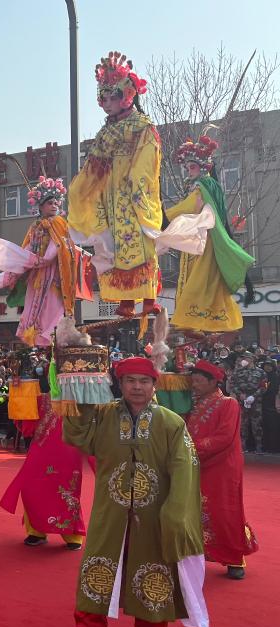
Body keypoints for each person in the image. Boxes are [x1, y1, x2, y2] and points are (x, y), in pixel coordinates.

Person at [63, 356, 208, 627]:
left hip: (154, 514)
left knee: (154, 570)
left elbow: (185, 467)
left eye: (144, 381)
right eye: (130, 381)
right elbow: (77, 436)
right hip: (109, 509)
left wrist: (176, 511)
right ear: (121, 384)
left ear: (155, 385)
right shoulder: (102, 415)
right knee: (98, 565)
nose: (137, 387)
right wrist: (79, 395)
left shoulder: (171, 422)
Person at [68, 52, 162, 319]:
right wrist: (82, 189)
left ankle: (148, 298)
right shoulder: (105, 132)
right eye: (103, 98)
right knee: (114, 248)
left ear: (127, 96)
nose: (107, 104)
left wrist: (136, 187)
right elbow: (93, 167)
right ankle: (125, 301)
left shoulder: (142, 127)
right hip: (110, 198)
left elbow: (146, 161)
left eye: (113, 98)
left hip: (133, 195)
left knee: (141, 245)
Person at [164, 134, 254, 333]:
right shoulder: (208, 186)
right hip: (202, 240)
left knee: (197, 282)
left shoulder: (202, 186)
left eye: (192, 167)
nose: (189, 170)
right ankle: (195, 325)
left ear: (203, 167)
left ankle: (192, 323)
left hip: (206, 242)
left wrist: (164, 217)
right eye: (187, 167)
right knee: (203, 284)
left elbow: (190, 207)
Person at [187, 360, 258, 579]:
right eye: (193, 381)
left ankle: (235, 558)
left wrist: (189, 448)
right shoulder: (194, 403)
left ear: (212, 382)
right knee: (196, 509)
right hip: (197, 463)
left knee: (225, 510)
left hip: (222, 466)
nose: (194, 385)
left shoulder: (229, 404)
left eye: (198, 381)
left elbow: (224, 438)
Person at [0, 177, 78, 346]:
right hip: (37, 276)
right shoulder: (35, 226)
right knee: (35, 308)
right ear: (41, 205)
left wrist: (38, 260)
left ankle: (52, 337)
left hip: (55, 276)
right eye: (50, 203)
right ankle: (40, 338)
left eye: (56, 203)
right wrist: (13, 269)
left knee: (53, 308)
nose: (54, 206)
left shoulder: (59, 223)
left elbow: (56, 248)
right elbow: (27, 249)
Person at [0, 393, 89, 549]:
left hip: (68, 448)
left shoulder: (82, 397)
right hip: (41, 446)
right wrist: (18, 398)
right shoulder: (41, 397)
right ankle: (36, 530)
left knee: (67, 489)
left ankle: (72, 535)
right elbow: (26, 421)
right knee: (31, 487)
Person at [227, 351, 266, 454]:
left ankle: (259, 446)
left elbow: (264, 386)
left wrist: (254, 396)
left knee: (257, 424)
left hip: (255, 401)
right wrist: (240, 394)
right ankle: (243, 446)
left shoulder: (261, 372)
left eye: (246, 358)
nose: (244, 360)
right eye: (243, 358)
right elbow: (233, 384)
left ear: (252, 359)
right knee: (243, 424)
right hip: (242, 400)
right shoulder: (238, 372)